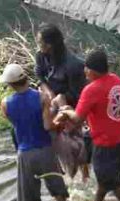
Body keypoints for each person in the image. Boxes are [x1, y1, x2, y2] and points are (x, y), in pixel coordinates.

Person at [54, 49, 120, 201]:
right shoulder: (116, 80)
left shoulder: (91, 89)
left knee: (114, 183)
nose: (84, 71)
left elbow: (78, 119)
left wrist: (66, 110)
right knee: (106, 177)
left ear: (92, 70)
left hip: (106, 145)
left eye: (86, 68)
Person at [0, 63, 73, 201]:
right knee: (56, 185)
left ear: (10, 84)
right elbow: (47, 126)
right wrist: (60, 122)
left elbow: (15, 124)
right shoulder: (41, 97)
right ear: (26, 78)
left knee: (31, 192)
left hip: (25, 153)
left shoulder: (5, 103)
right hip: (45, 149)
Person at [36, 24, 90, 182]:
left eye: (40, 43)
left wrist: (61, 99)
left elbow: (78, 93)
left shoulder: (73, 65)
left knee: (76, 143)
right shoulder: (41, 55)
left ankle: (84, 175)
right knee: (56, 140)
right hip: (53, 102)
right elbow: (39, 75)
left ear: (50, 45)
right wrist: (49, 92)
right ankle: (66, 173)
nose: (38, 46)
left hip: (70, 106)